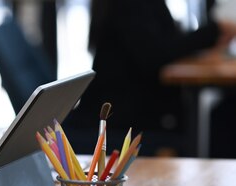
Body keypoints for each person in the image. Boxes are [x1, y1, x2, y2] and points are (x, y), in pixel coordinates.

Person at [63, 0, 236, 156]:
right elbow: (155, 55)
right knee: (224, 118)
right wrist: (214, 31)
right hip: (123, 122)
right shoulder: (130, 5)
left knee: (224, 114)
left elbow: (165, 44)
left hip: (135, 115)